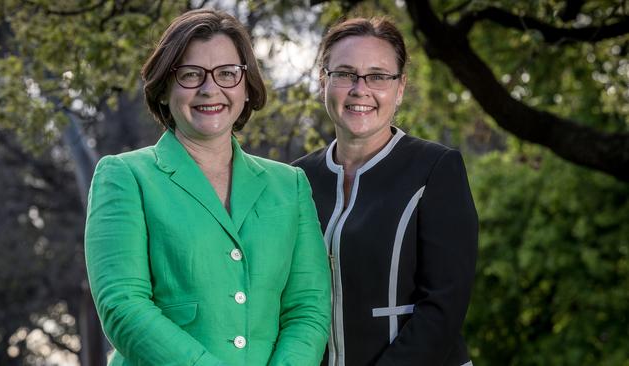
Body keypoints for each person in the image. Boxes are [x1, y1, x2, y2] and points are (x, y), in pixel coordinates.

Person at [84, 9, 331, 366]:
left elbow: (307, 309)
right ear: (165, 89)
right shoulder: (124, 176)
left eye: (228, 74)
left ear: (246, 89)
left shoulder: (289, 186)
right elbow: (123, 306)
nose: (209, 88)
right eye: (190, 74)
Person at [293, 17, 478, 366]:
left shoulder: (436, 169)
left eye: (378, 76)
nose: (360, 89)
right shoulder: (298, 179)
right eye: (345, 73)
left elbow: (444, 306)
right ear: (323, 81)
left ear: (400, 87)